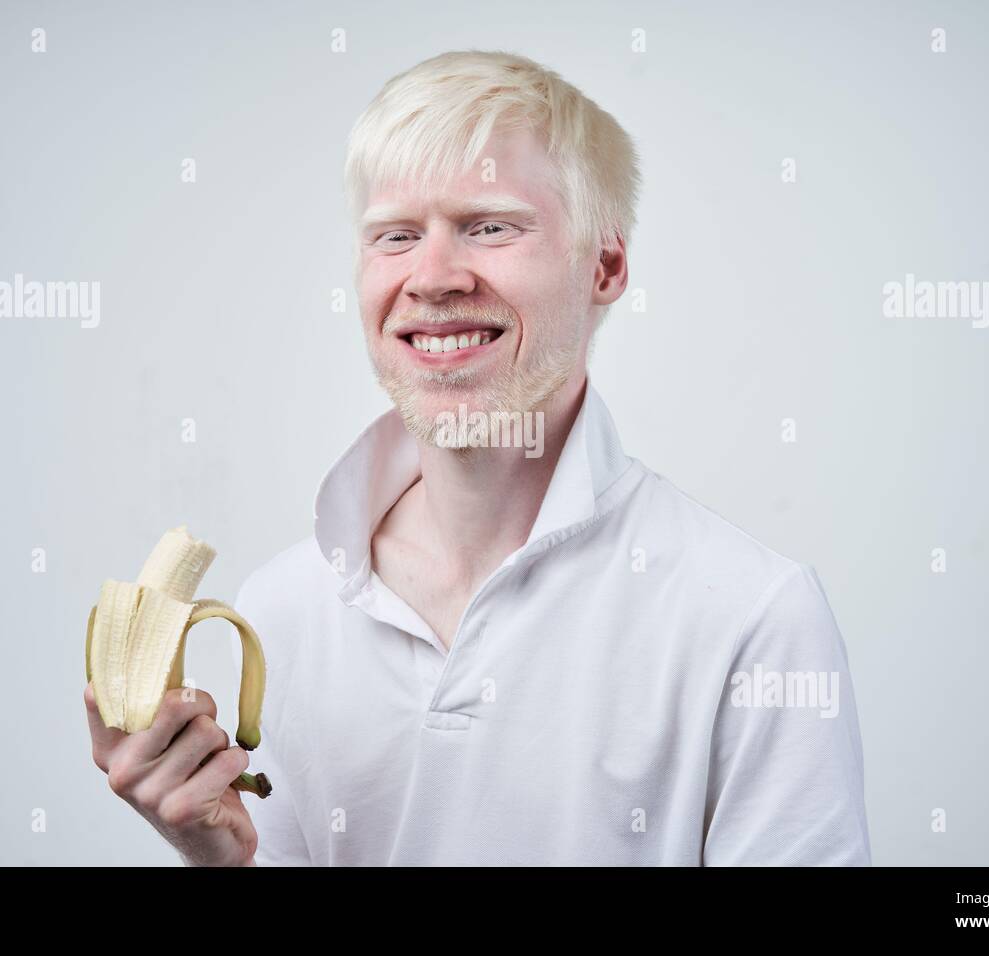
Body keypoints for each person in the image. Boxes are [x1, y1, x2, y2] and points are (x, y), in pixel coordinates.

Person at [85, 49, 871, 866]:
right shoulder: (281, 611)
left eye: (489, 226)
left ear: (604, 265)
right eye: (395, 235)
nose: (432, 278)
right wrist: (216, 856)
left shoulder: (754, 618)